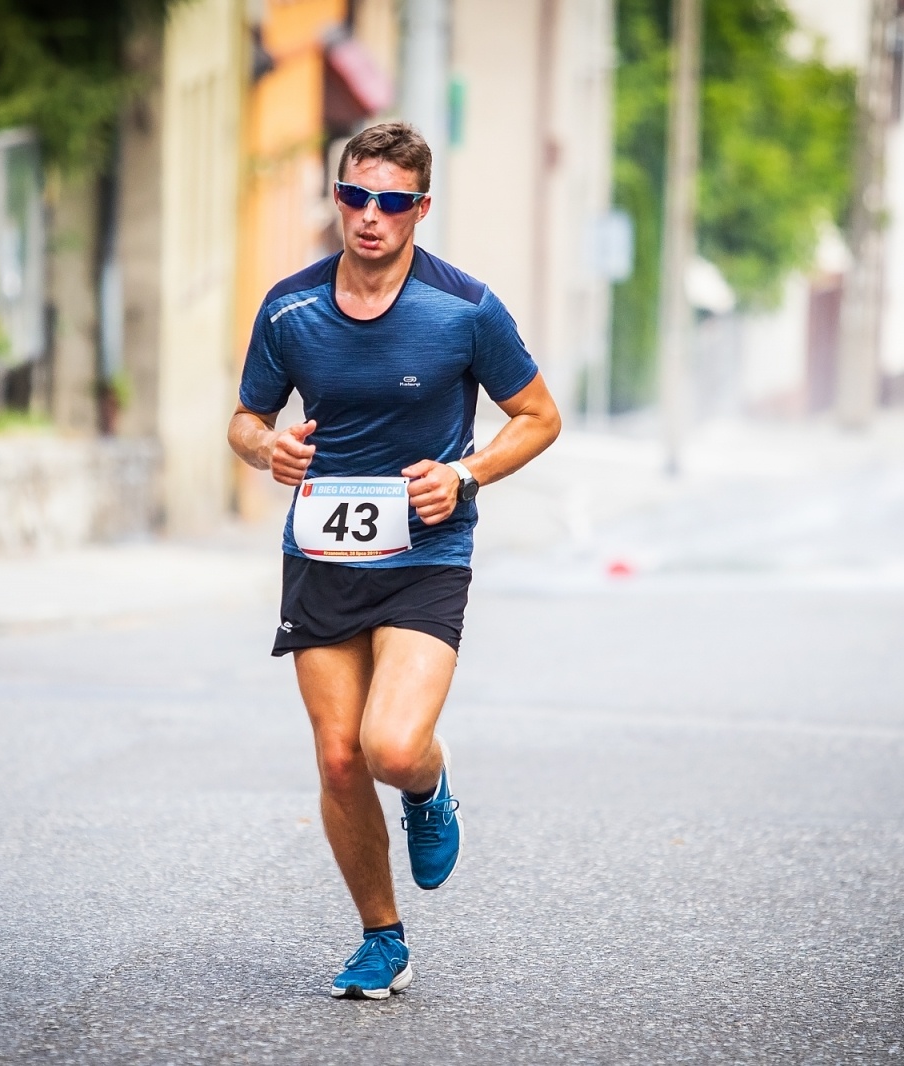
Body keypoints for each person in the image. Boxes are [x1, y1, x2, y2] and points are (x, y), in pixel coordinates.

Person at [227, 121, 562, 1000]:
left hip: (426, 551)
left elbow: (538, 416)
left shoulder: (465, 308)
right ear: (337, 197)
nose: (368, 218)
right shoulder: (291, 308)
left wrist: (465, 473)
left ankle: (430, 783)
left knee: (390, 744)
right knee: (339, 759)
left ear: (419, 208)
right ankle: (383, 939)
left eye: (390, 202)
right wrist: (270, 452)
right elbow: (245, 420)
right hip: (323, 551)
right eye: (353, 196)